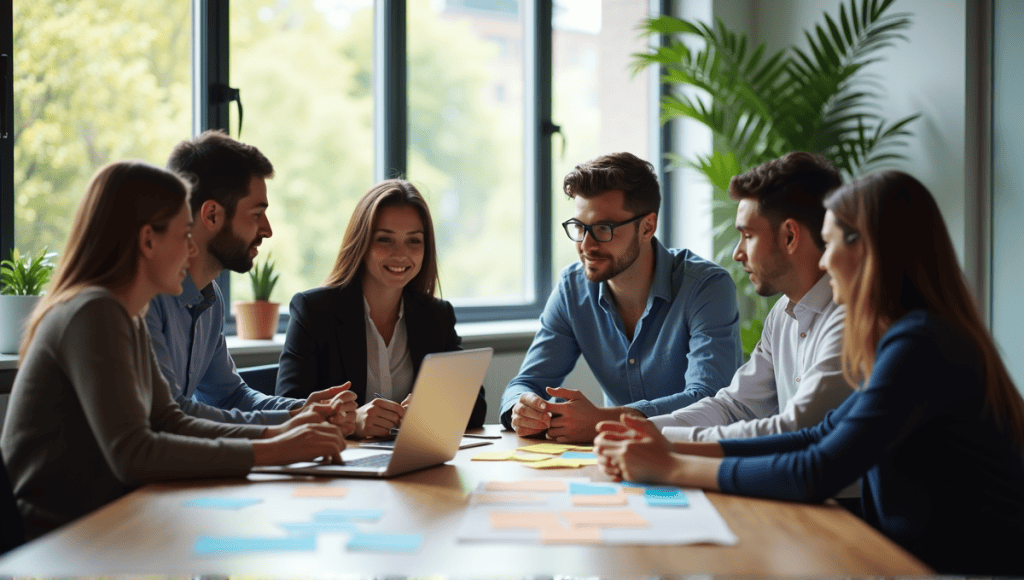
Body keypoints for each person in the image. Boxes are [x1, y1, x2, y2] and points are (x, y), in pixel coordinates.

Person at [594, 171, 1024, 575]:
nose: (823, 262)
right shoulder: (911, 336)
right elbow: (813, 437)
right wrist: (666, 444)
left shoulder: (920, 344)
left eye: (831, 242)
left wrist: (672, 468)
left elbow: (816, 469)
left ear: (866, 251)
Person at [0, 161, 348, 540]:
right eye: (184, 234)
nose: (192, 247)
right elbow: (134, 454)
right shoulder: (93, 311)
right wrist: (274, 451)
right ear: (148, 240)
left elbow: (170, 420)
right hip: (60, 541)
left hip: (110, 523)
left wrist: (275, 434)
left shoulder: (126, 316)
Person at [500, 152, 743, 443]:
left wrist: (603, 421)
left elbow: (708, 400)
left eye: (604, 229)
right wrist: (522, 408)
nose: (586, 245)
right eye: (579, 227)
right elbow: (526, 383)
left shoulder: (706, 287)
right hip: (614, 462)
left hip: (692, 457)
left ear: (647, 227)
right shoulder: (572, 289)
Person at [146, 130, 356, 427]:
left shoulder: (211, 298)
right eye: (257, 214)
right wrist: (293, 420)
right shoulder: (144, 297)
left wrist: (306, 409)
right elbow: (169, 414)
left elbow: (230, 396)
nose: (267, 230)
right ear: (212, 215)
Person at [647, 152, 851, 442]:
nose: (737, 253)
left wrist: (666, 442)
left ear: (790, 237)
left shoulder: (849, 316)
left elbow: (797, 428)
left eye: (748, 236)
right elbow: (735, 406)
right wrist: (644, 429)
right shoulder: (782, 314)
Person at [275, 179, 486, 438]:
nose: (400, 254)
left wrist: (429, 412)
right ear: (361, 243)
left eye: (413, 241)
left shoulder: (436, 316)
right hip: (338, 467)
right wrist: (352, 422)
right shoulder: (314, 311)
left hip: (411, 461)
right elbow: (289, 410)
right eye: (385, 240)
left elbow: (476, 409)